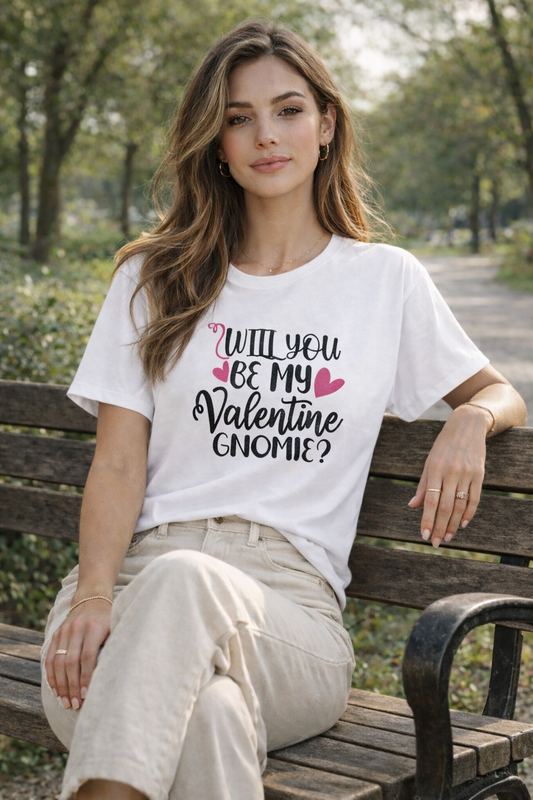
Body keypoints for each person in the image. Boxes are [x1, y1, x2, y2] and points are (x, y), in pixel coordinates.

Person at [40, 16, 527, 800]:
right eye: (238, 118)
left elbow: (496, 390)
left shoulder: (383, 281)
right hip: (125, 591)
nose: (265, 135)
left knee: (184, 582)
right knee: (211, 718)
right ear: (216, 142)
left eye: (288, 109)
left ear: (326, 125)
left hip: (288, 618)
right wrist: (93, 593)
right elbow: (119, 459)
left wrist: (471, 420)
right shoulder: (152, 277)